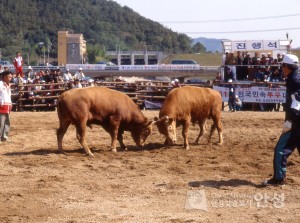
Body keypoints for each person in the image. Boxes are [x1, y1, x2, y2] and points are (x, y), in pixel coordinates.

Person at [262, 54, 300, 186]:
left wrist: (291, 120)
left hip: (296, 121)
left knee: (280, 150)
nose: (281, 68)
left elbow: (296, 101)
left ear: (287, 66)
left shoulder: (293, 80)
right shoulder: (297, 75)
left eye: (282, 65)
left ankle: (279, 178)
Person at [0, 70, 13, 143]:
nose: (10, 78)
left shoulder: (8, 85)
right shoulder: (0, 84)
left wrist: (10, 103)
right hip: (1, 106)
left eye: (11, 77)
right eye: (8, 77)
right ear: (4, 77)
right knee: (0, 123)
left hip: (7, 106)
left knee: (7, 123)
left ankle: (4, 137)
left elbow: (8, 96)